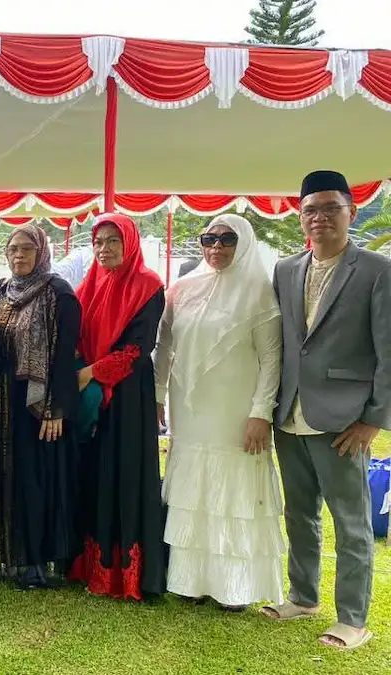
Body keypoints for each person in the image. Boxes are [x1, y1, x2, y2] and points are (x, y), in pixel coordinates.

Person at [261, 170, 390, 651]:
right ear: (300, 217)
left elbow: (388, 353)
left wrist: (374, 419)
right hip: (288, 414)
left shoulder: (377, 271)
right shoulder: (285, 270)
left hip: (344, 421)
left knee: (351, 523)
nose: (320, 218)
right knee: (299, 514)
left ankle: (353, 619)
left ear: (351, 212)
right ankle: (303, 595)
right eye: (310, 210)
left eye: (330, 208)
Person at [155, 214, 284, 611]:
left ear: (243, 242)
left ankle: (233, 587)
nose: (216, 247)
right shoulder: (183, 288)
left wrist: (261, 412)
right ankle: (192, 581)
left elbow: (272, 359)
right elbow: (164, 345)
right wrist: (158, 394)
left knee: (234, 494)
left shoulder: (260, 291)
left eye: (227, 239)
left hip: (237, 411)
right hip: (191, 410)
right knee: (194, 493)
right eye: (208, 238)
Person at [67, 213, 166, 601]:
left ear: (129, 242)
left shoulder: (148, 286)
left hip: (127, 398)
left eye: (113, 241)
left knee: (122, 474)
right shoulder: (89, 284)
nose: (104, 249)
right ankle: (89, 565)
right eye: (98, 242)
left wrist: (92, 372)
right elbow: (74, 333)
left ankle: (123, 576)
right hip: (90, 396)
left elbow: (138, 348)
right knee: (93, 474)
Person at [0, 224, 82, 590]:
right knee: (4, 475)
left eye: (26, 249)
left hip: (38, 406)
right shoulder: (0, 291)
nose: (18, 256)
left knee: (37, 478)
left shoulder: (58, 293)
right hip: (0, 401)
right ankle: (5, 557)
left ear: (41, 251)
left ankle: (39, 563)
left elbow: (65, 355)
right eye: (12, 249)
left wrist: (56, 407)